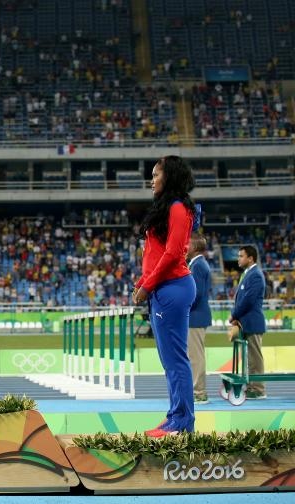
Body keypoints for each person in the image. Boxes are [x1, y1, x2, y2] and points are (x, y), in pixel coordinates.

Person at [133, 155, 198, 437]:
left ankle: (182, 421)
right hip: (162, 288)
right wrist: (143, 281)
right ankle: (175, 415)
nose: (152, 179)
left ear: (169, 177)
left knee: (175, 360)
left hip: (172, 288)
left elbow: (173, 254)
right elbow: (155, 253)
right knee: (169, 360)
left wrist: (147, 286)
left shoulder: (179, 208)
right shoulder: (166, 208)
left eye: (156, 174)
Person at [228, 245, 266, 399]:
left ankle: (258, 389)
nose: (238, 259)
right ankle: (252, 386)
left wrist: (234, 314)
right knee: (249, 358)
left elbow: (248, 300)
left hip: (253, 321)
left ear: (250, 258)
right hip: (246, 322)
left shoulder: (255, 275)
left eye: (241, 256)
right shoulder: (248, 274)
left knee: (255, 357)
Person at [186, 235, 212, 404]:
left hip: (195, 316)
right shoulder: (197, 264)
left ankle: (199, 392)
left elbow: (196, 293)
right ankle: (197, 390)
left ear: (194, 246)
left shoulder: (198, 266)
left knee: (196, 356)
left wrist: (182, 304)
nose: (184, 247)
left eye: (186, 244)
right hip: (196, 316)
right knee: (194, 355)